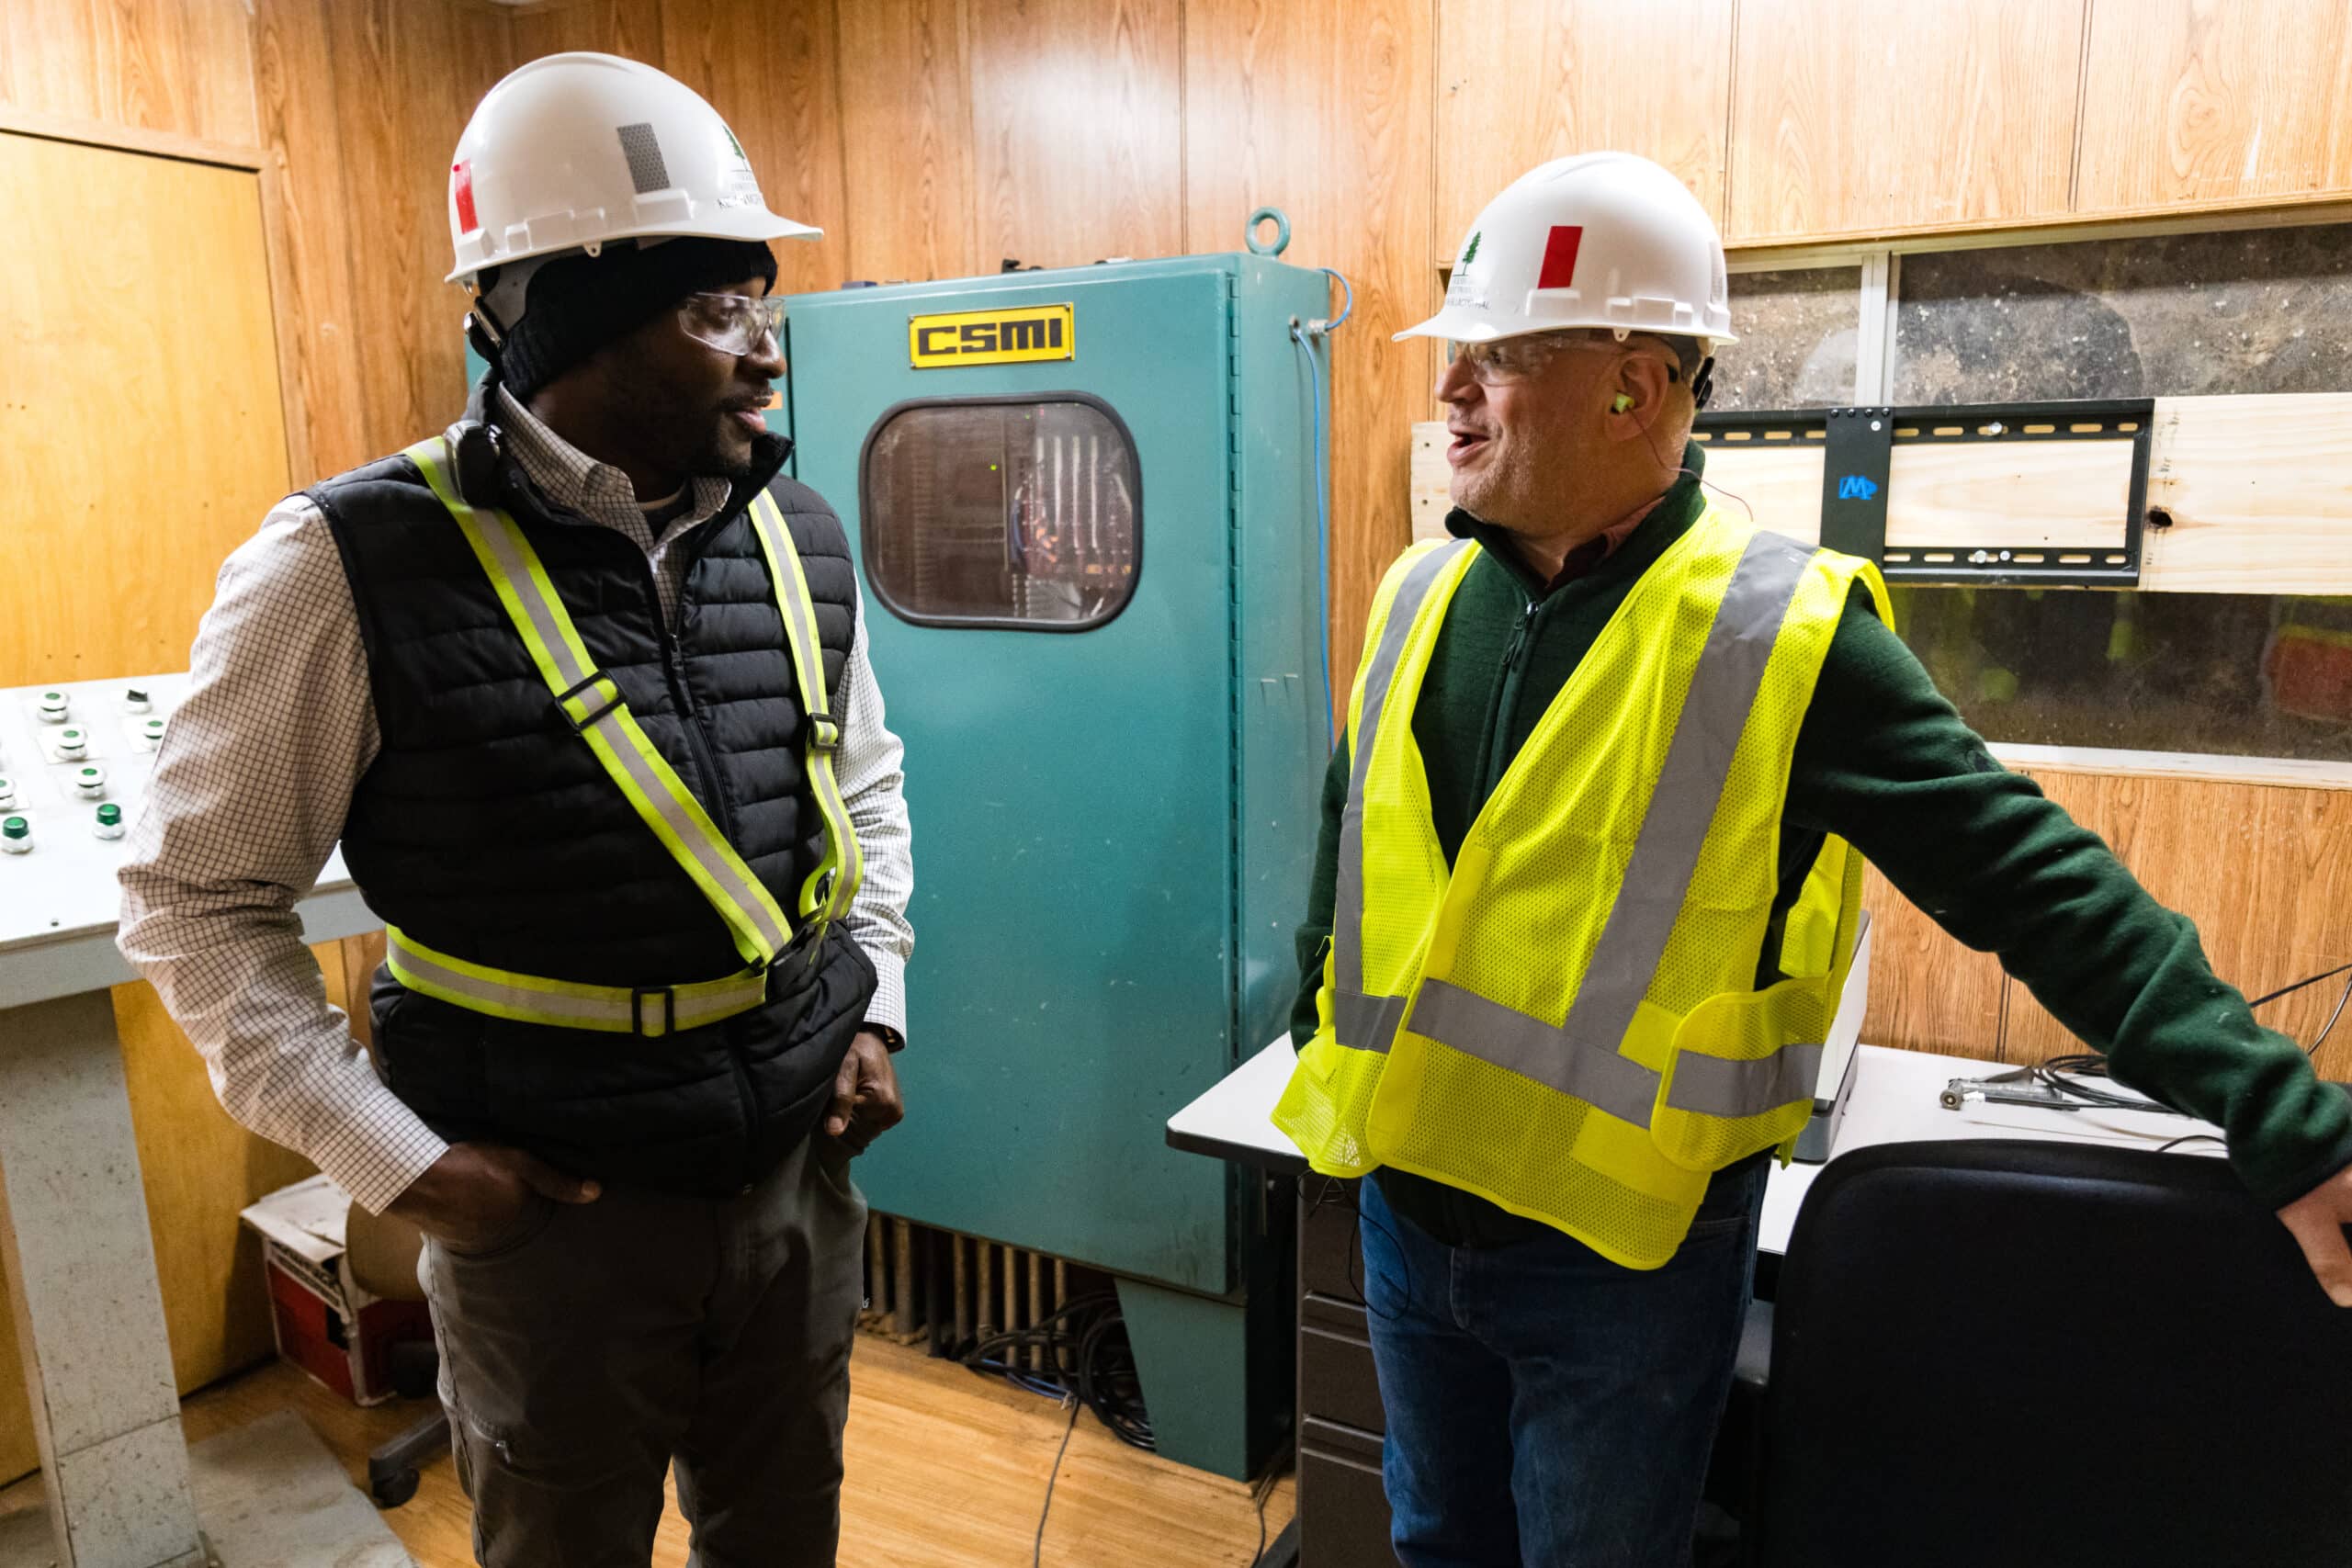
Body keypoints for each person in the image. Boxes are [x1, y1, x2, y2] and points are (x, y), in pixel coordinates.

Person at [1272, 151, 2352, 1568]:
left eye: (1499, 358)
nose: (1450, 391)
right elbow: (1349, 866)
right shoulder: (1419, 590)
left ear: (1633, 386)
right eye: (1453, 354)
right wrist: (1312, 1030)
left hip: (1622, 1263)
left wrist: (2284, 1118)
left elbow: (2029, 878)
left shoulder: (1777, 632)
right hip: (1407, 1220)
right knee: (1432, 1546)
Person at [119, 52, 913, 1566]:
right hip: (551, 1224)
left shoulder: (796, 531)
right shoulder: (344, 564)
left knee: (784, 1537)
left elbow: (859, 784)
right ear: (567, 323)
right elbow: (198, 902)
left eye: (763, 303)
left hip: (795, 1184)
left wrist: (880, 1010)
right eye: (715, 310)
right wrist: (394, 1162)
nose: (767, 353)